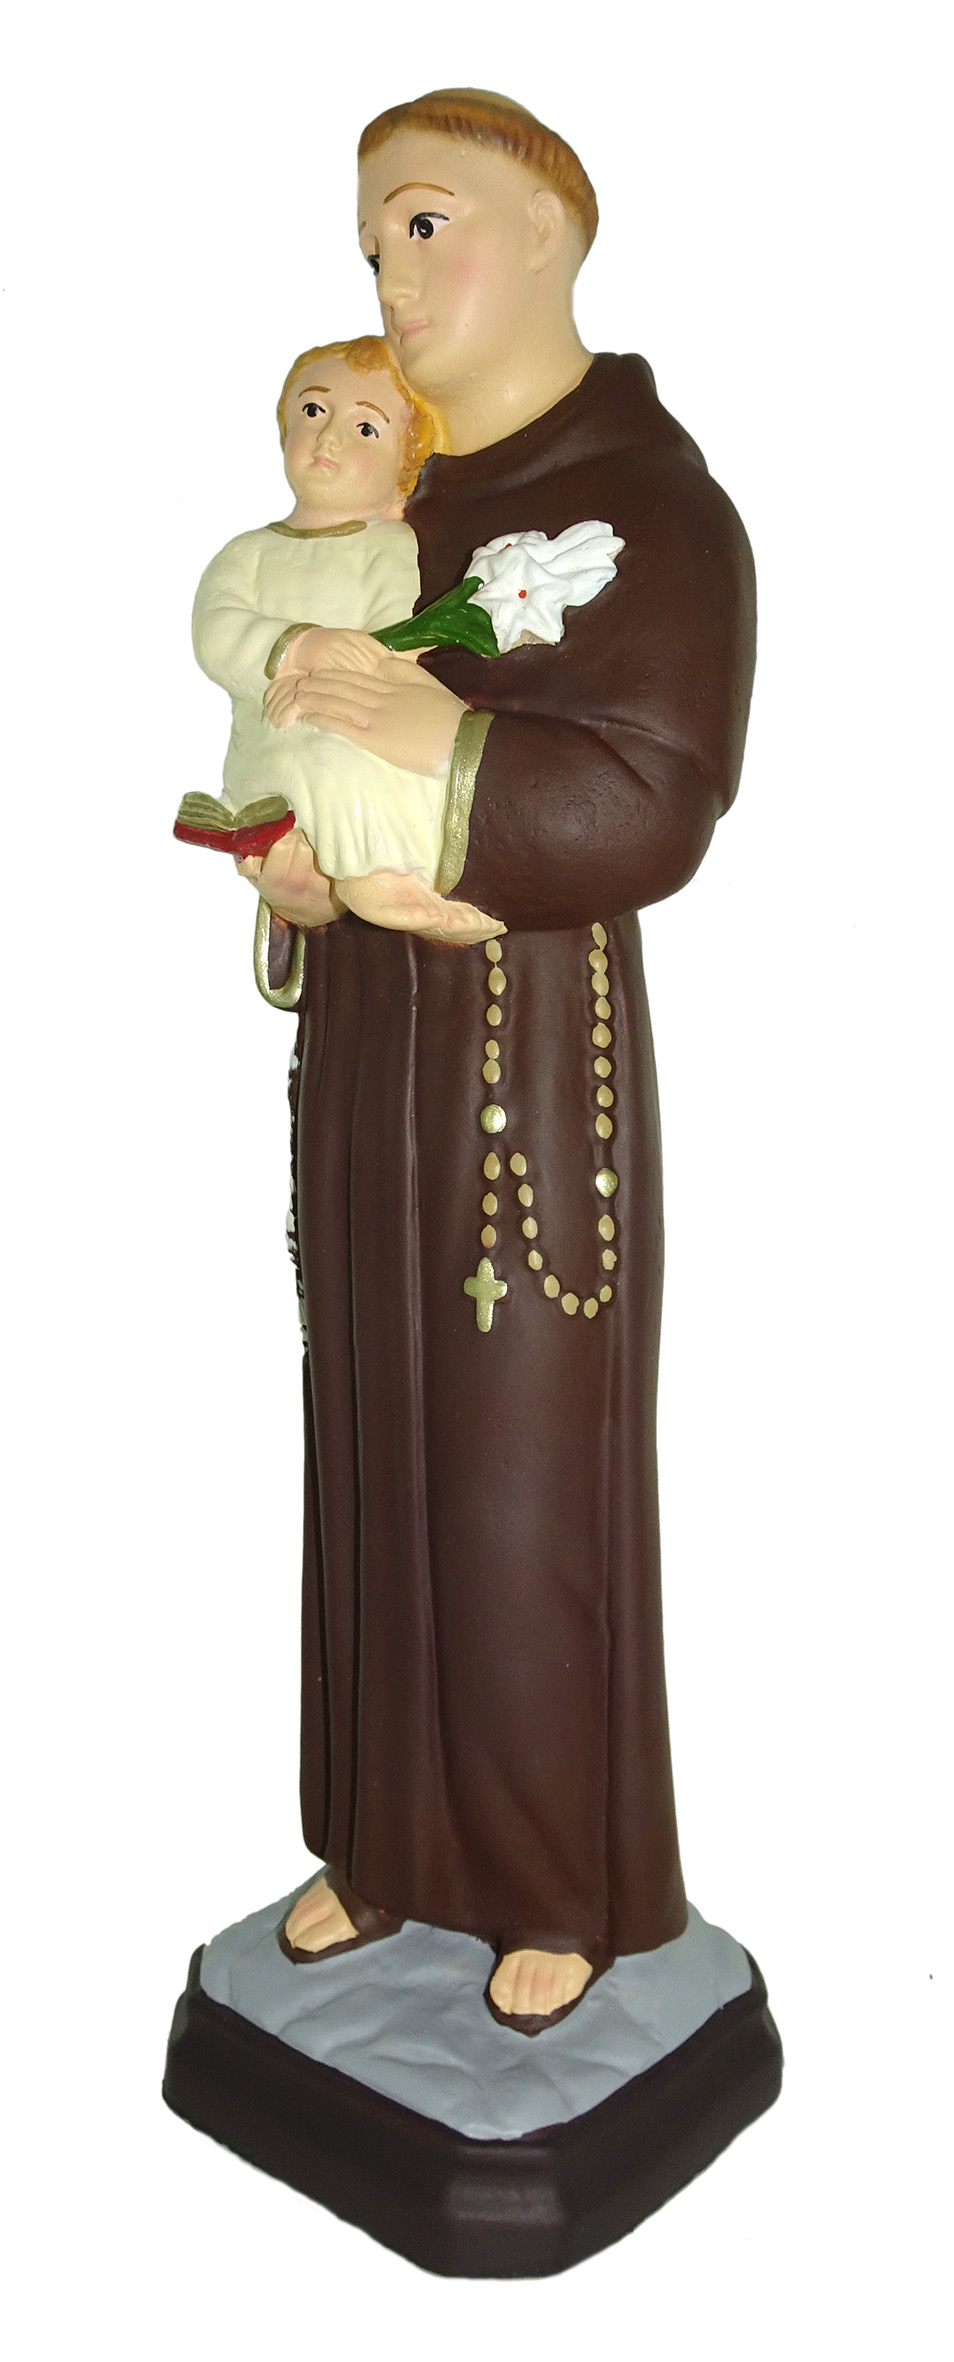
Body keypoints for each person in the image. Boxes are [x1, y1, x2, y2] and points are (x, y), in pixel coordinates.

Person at [239, 89, 757, 2034]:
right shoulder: (389, 510)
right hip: (368, 1051)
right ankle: (384, 1837)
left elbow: (652, 791)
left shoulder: (655, 510)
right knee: (369, 1436)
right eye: (375, 240)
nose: (388, 273)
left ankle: (553, 1876)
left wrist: (431, 747)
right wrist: (292, 875)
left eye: (424, 224)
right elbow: (293, 741)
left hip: (528, 1070)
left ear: (544, 229)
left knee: (516, 1472)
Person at [185, 337, 499, 944]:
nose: (329, 438)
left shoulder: (389, 546)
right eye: (313, 411)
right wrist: (297, 650)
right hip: (272, 738)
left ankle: (385, 878)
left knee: (360, 759)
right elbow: (215, 632)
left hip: (352, 715)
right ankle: (366, 877)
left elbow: (391, 636)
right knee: (315, 763)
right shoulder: (248, 554)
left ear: (403, 474)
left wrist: (325, 683)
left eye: (365, 428)